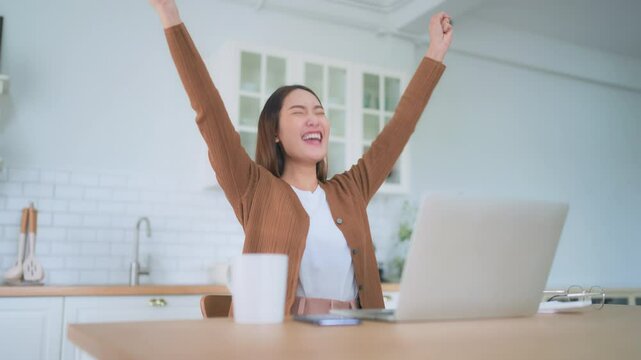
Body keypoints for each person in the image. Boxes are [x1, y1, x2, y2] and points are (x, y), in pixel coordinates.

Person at [149, 0, 452, 315]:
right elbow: (208, 110)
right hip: (286, 343)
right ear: (275, 133)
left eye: (319, 113)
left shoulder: (351, 190)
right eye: (299, 112)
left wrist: (435, 53)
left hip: (359, 338)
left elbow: (399, 128)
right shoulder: (255, 190)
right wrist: (169, 15)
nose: (314, 119)